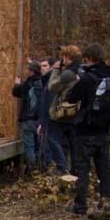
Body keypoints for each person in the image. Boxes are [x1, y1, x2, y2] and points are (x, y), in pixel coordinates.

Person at [67, 43, 110, 215]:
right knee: (104, 170)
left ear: (88, 59)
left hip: (85, 132)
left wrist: (78, 82)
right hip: (104, 132)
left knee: (82, 169)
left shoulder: (88, 79)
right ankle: (106, 203)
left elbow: (71, 97)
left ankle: (80, 205)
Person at [41, 45, 81, 174]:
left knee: (53, 139)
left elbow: (52, 87)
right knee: (72, 144)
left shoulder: (68, 73)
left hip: (63, 113)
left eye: (63, 57)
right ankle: (75, 170)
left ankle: (62, 167)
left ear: (67, 57)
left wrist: (56, 70)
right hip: (75, 115)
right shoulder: (80, 70)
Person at [12, 59, 43, 173]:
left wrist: (17, 83)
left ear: (32, 72)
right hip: (40, 120)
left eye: (28, 69)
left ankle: (32, 169)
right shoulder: (44, 82)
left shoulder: (28, 83)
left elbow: (16, 92)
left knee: (29, 146)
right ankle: (40, 169)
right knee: (38, 145)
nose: (27, 71)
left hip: (29, 120)